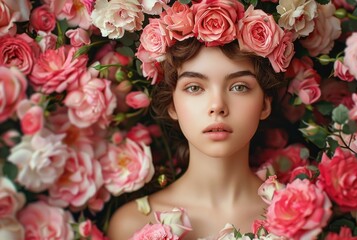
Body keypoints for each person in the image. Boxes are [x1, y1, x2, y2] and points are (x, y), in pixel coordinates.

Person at [107, 1, 287, 239]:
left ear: (265, 104)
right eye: (194, 88)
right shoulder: (132, 224)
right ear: (172, 104)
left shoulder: (296, 215)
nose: (217, 106)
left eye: (239, 87)